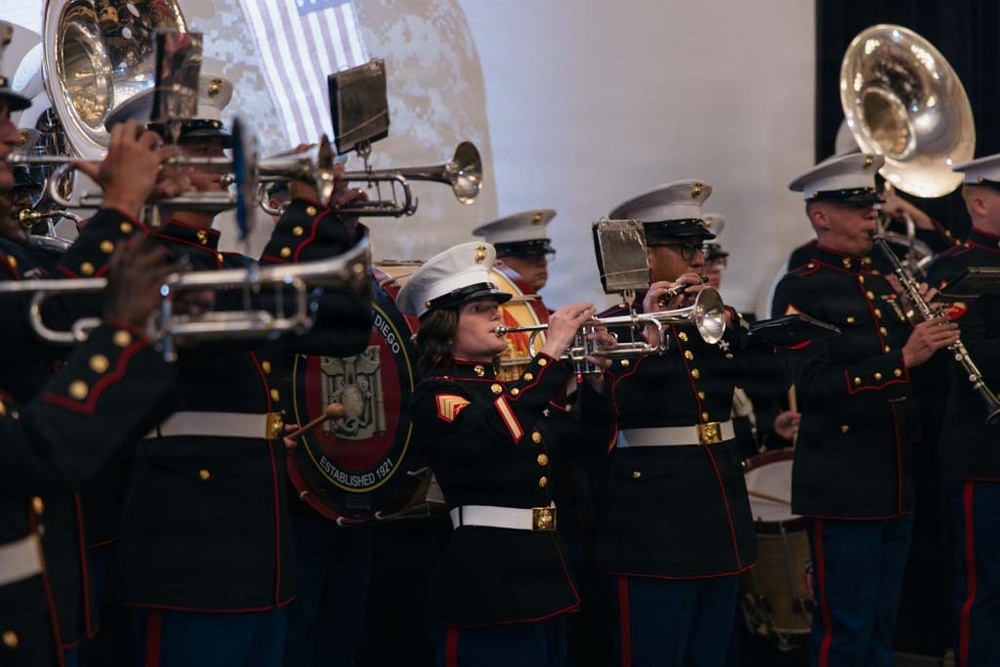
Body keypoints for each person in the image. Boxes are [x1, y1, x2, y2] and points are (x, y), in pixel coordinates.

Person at [57, 71, 372, 666]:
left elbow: (343, 328)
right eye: (198, 149)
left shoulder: (226, 261)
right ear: (150, 164)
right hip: (187, 541)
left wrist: (338, 228)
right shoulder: (139, 257)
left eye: (219, 149)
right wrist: (305, 218)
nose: (220, 163)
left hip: (257, 537)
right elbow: (250, 317)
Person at [771, 152, 959, 666]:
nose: (871, 215)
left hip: (895, 472)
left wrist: (935, 331)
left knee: (882, 616)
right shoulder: (802, 286)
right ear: (821, 216)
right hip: (842, 480)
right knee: (845, 626)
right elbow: (814, 384)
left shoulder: (881, 278)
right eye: (857, 207)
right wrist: (904, 356)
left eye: (872, 206)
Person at [398, 241, 614, 667]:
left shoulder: (507, 393)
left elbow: (586, 443)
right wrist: (549, 355)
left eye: (495, 305)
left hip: (543, 577)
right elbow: (494, 436)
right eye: (480, 308)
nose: (498, 314)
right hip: (486, 586)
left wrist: (596, 379)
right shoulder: (438, 394)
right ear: (445, 325)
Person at [594, 180, 759, 666]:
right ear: (646, 256)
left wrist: (730, 328)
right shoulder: (613, 326)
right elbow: (603, 414)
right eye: (685, 248)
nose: (698, 260)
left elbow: (768, 378)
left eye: (700, 248)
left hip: (718, 509)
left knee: (711, 652)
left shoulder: (712, 323)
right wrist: (651, 326)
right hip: (655, 523)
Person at [923, 154, 1000, 667]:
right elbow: (969, 354)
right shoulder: (952, 269)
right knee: (986, 591)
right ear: (977, 201)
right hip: (984, 452)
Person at [472, 209, 556, 293]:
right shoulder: (491, 306)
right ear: (497, 262)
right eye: (530, 257)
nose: (542, 263)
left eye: (543, 255)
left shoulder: (536, 306)